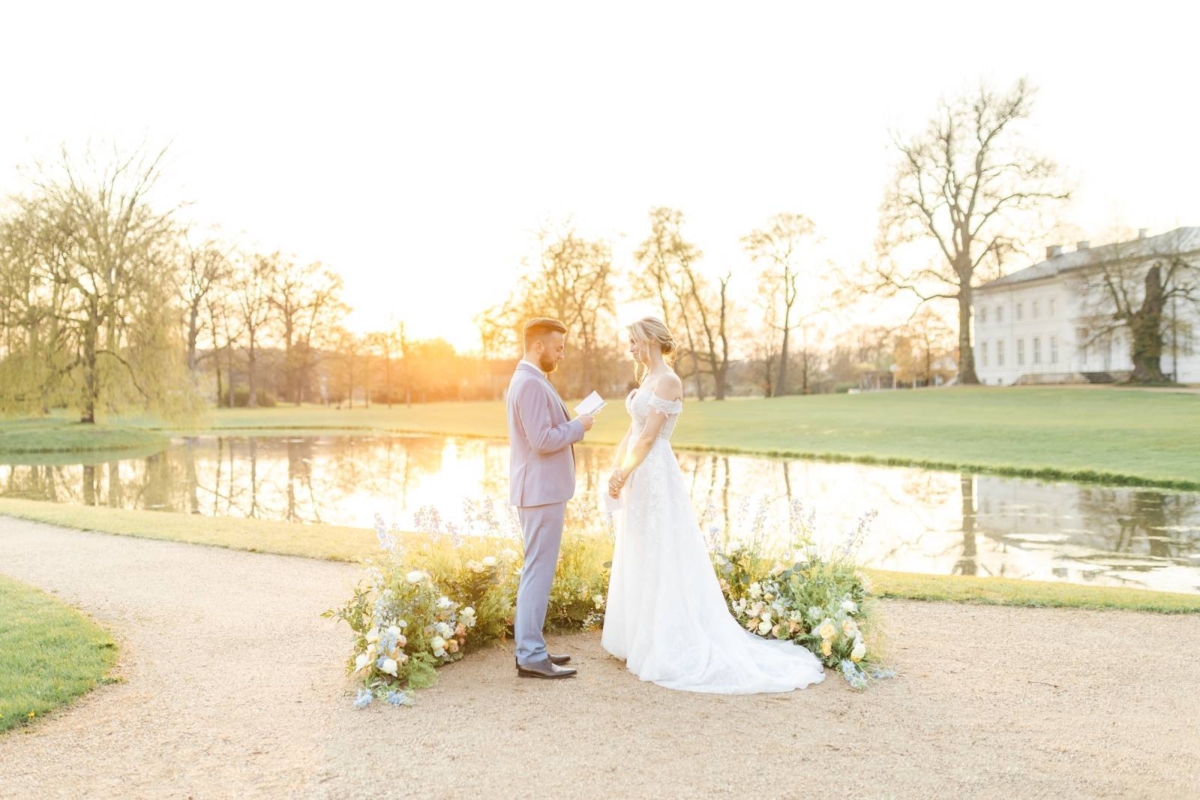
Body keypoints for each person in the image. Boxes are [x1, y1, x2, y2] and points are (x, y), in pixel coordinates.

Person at [601, 317, 825, 693]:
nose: (630, 348)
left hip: (654, 474)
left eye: (634, 341)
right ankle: (638, 634)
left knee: (660, 549)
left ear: (652, 341)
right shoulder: (645, 382)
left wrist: (624, 472)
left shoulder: (669, 381)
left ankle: (665, 639)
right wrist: (614, 465)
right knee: (639, 547)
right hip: (639, 475)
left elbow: (650, 438)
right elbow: (632, 432)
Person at [506, 317, 594, 679]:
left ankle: (533, 647)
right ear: (538, 346)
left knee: (538, 570)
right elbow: (541, 441)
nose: (562, 354)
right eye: (557, 347)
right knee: (537, 572)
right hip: (540, 493)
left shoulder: (533, 380)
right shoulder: (528, 383)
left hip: (542, 491)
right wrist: (579, 427)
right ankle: (529, 654)